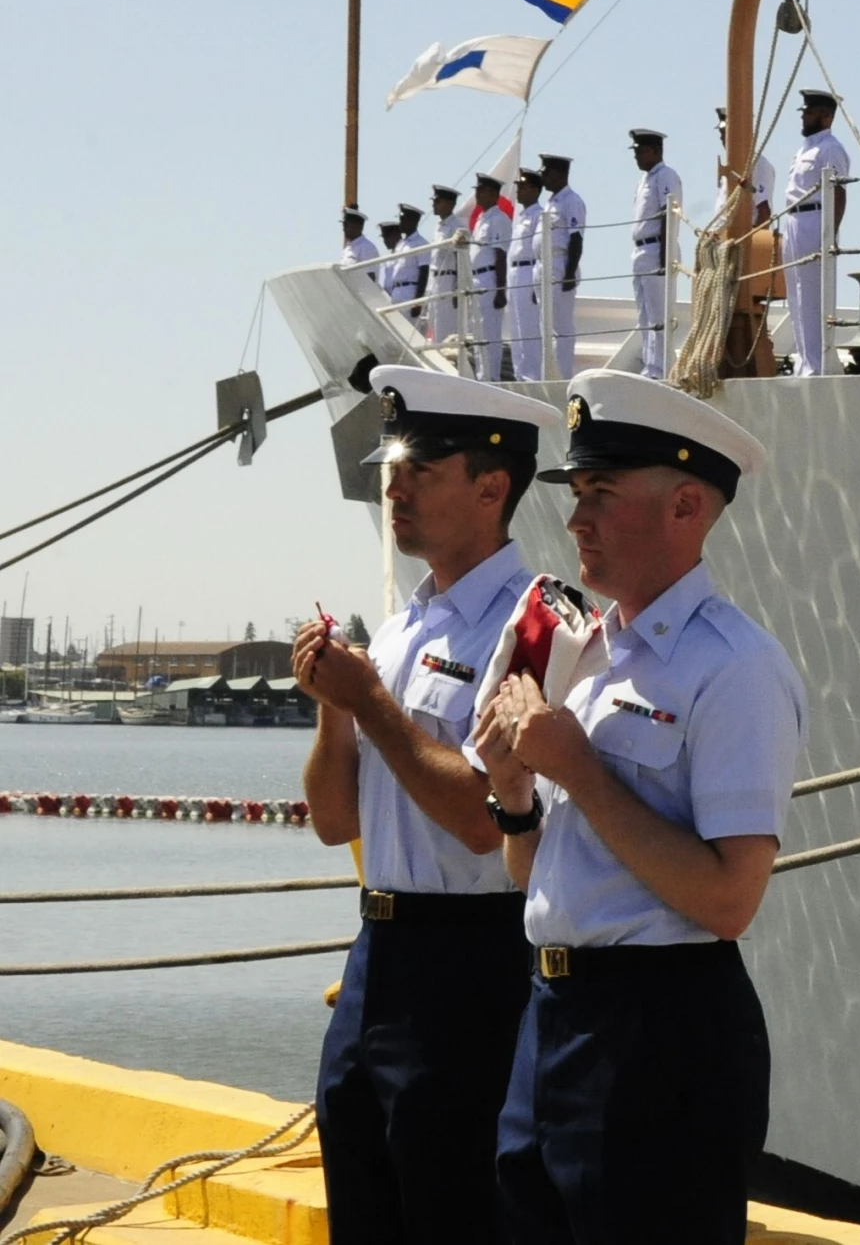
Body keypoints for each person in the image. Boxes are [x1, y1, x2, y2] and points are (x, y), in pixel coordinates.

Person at [471, 368, 805, 1245]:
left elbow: (732, 898)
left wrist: (578, 769)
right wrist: (513, 792)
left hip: (661, 1036)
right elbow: (537, 871)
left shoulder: (734, 668)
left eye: (602, 493)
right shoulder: (588, 654)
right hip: (554, 1022)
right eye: (577, 493)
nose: (576, 519)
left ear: (687, 507)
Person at [294, 366, 559, 1245]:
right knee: (362, 1198)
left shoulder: (529, 627)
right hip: (380, 951)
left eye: (421, 469)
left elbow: (489, 817)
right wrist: (338, 704)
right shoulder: (408, 624)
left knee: (452, 1207)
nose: (395, 487)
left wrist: (371, 701)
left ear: (491, 487)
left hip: (467, 961)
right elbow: (336, 821)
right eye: (393, 468)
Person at [778, 89, 850, 377]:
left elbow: (840, 192)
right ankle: (804, 362)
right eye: (804, 112)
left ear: (825, 116)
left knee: (812, 296)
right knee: (795, 296)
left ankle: (816, 365)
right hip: (794, 221)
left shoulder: (831, 148)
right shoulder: (804, 148)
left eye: (809, 113)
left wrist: (830, 233)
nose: (804, 117)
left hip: (815, 221)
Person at [627, 129, 682, 380]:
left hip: (658, 248)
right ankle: (651, 366)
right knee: (645, 314)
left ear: (654, 151)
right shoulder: (644, 179)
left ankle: (661, 368)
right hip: (641, 250)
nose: (636, 156)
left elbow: (667, 214)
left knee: (659, 314)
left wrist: (665, 256)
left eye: (640, 151)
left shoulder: (665, 176)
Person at [539, 155, 587, 380]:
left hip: (560, 264)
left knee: (562, 326)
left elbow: (576, 239)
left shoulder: (572, 201)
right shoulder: (550, 202)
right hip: (543, 265)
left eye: (547, 172)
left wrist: (569, 273)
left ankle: (563, 375)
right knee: (545, 326)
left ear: (560, 174)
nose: (543, 176)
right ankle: (548, 373)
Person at [467, 173, 514, 381]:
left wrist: (500, 290)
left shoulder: (499, 219)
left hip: (490, 279)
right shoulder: (481, 219)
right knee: (477, 333)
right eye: (477, 190)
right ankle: (482, 375)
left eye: (481, 190)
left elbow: (500, 254)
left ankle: (491, 377)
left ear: (494, 194)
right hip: (477, 280)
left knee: (489, 333)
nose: (477, 194)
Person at [510, 167, 548, 382]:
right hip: (515, 273)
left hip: (528, 270)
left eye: (523, 187)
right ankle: (519, 375)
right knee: (516, 330)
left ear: (535, 190)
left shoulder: (538, 215)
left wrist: (537, 282)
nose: (519, 191)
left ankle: (532, 376)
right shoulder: (521, 217)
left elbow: (539, 249)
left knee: (529, 328)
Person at [428, 185, 465, 349]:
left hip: (448, 279)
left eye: (437, 201)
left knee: (446, 326)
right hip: (434, 280)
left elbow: (461, 257)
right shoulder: (439, 226)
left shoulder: (457, 226)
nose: (433, 205)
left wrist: (458, 285)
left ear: (449, 204)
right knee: (434, 326)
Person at [386, 203, 429, 327]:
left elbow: (424, 272)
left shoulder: (420, 243)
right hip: (396, 291)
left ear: (412, 221)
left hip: (409, 292)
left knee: (409, 329)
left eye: (403, 219)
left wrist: (418, 301)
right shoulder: (401, 244)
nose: (400, 223)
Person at [339, 207, 380, 285]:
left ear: (358, 226)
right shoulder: (347, 249)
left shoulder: (366, 247)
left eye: (346, 224)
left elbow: (369, 279)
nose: (343, 228)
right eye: (343, 224)